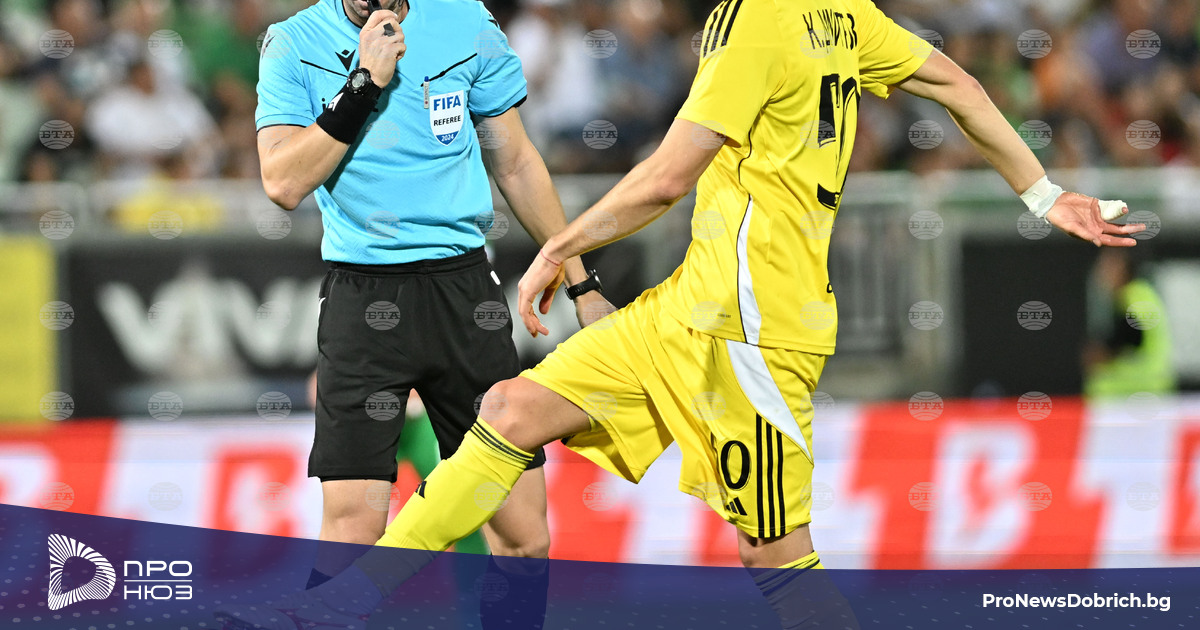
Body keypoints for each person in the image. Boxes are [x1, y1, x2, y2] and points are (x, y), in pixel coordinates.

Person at [220, 0, 1144, 628]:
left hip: (752, 331)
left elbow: (666, 177)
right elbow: (959, 86)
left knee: (775, 559)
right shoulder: (845, 13)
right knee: (511, 410)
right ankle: (350, 599)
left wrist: (559, 250)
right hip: (686, 306)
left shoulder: (753, 23)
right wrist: (1042, 192)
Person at [247, 0, 611, 626]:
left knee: (524, 537)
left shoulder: (465, 20)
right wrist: (364, 83)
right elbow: (282, 182)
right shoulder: (292, 42)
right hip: (361, 301)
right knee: (351, 535)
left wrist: (582, 284)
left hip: (464, 296)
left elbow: (515, 161)